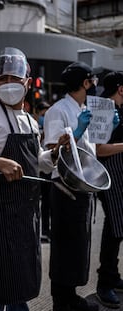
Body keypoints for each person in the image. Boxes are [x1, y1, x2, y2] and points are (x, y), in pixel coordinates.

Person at [0, 47, 69, 311]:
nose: (8, 85)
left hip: (26, 211)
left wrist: (54, 152)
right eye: (2, 79)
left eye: (14, 79)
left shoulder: (29, 120)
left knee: (22, 273)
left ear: (27, 83)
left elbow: (36, 161)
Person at [43, 61, 102, 311]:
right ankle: (62, 299)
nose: (94, 86)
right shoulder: (58, 110)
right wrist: (76, 132)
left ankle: (71, 295)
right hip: (65, 187)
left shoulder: (81, 108)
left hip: (81, 186)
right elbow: (52, 150)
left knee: (78, 243)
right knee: (66, 244)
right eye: (91, 81)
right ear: (85, 83)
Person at [95, 71, 123, 309]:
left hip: (120, 173)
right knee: (114, 228)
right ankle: (104, 283)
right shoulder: (103, 109)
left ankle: (112, 276)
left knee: (117, 228)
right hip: (108, 174)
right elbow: (98, 150)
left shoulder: (118, 107)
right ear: (121, 89)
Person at [32, 100, 52, 243]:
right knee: (41, 203)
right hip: (38, 171)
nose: (45, 117)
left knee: (49, 202)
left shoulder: (52, 127)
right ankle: (42, 230)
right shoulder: (33, 127)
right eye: (43, 114)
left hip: (49, 169)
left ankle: (47, 229)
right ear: (37, 113)